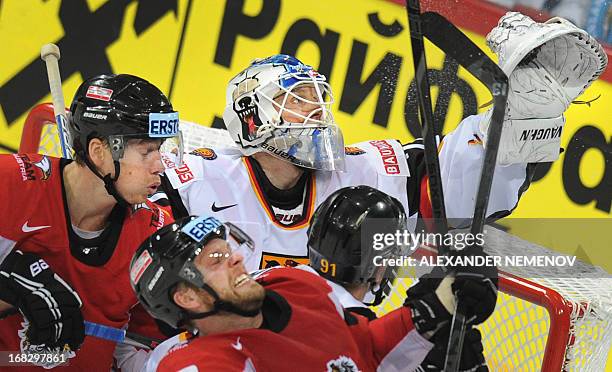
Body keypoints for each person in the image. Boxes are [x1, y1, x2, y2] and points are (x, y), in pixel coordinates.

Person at [158, 11, 606, 274]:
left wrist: (516, 119)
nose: (315, 111)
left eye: (318, 98)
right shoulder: (197, 180)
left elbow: (451, 186)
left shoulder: (364, 171)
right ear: (251, 120)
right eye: (294, 101)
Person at [130, 214, 489, 371]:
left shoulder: (299, 287)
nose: (238, 258)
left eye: (231, 247)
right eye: (217, 259)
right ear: (188, 298)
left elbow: (361, 352)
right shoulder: (198, 366)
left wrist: (436, 307)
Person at [0, 74, 180, 370]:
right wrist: (9, 290)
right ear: (99, 152)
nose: (160, 165)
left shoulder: (154, 233)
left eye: (160, 150)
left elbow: (153, 343)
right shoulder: (10, 185)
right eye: (147, 151)